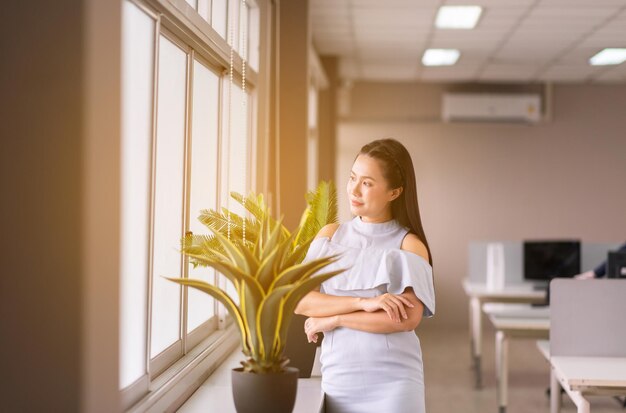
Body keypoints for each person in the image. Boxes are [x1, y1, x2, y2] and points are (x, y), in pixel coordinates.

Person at [294, 138, 435, 413]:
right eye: (352, 178)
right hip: (339, 381)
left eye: (367, 183)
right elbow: (301, 301)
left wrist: (334, 318)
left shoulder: (409, 244)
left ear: (394, 192)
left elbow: (407, 318)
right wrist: (364, 302)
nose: (354, 190)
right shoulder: (330, 235)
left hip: (394, 385)